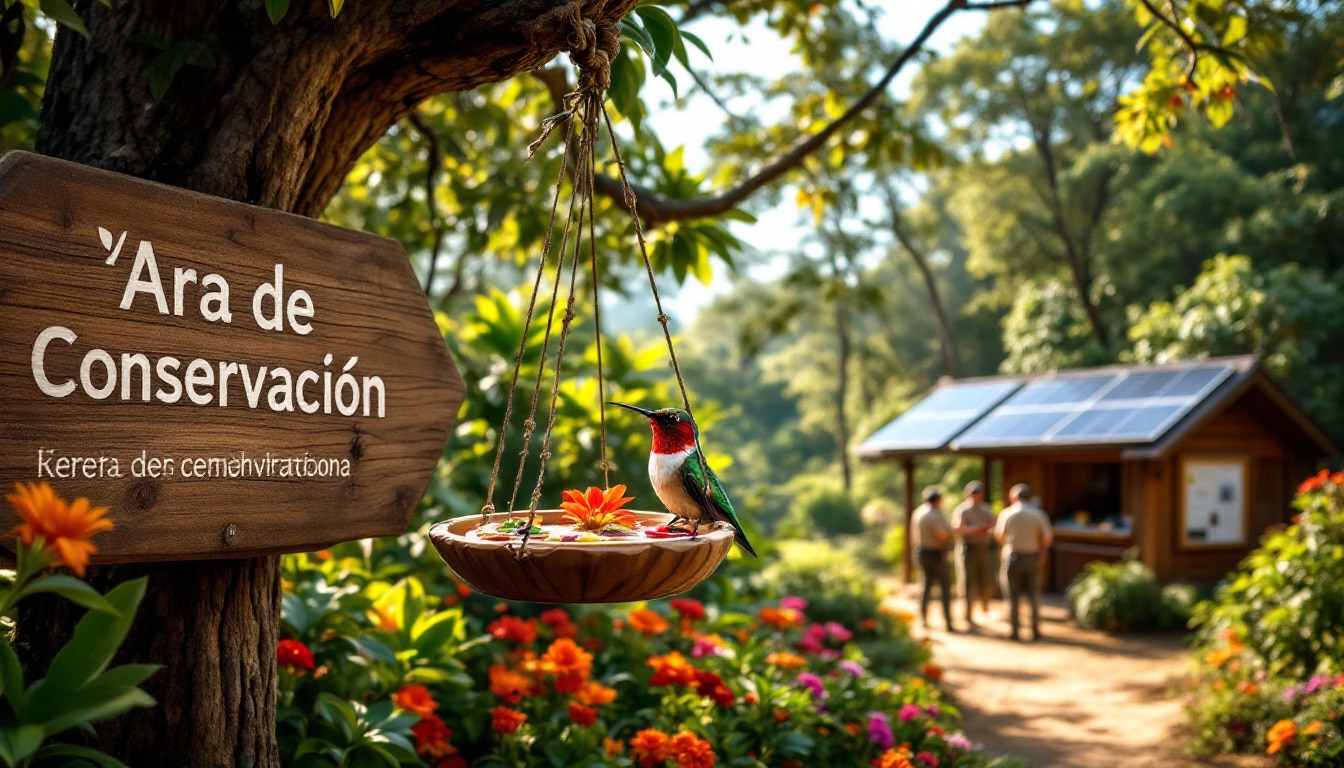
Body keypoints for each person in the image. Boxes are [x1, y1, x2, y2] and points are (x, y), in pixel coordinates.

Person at [994, 483, 1053, 641]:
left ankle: (1014, 631)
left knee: (1012, 596)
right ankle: (1035, 630)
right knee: (1034, 595)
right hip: (1032, 558)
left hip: (1012, 558)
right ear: (1030, 498)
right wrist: (1041, 554)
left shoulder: (1007, 514)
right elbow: (1047, 538)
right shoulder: (1038, 514)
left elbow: (999, 537)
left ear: (1013, 498)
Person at [911, 485, 957, 632]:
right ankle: (948, 622)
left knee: (926, 587)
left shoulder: (918, 512)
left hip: (921, 552)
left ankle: (923, 618)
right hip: (936, 554)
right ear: (938, 500)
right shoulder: (934, 514)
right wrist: (953, 534)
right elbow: (942, 535)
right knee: (945, 588)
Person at [951, 480, 996, 628]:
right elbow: (958, 529)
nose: (977, 497)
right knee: (967, 582)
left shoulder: (986, 509)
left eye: (979, 494)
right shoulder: (962, 510)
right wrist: (977, 528)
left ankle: (985, 607)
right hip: (967, 549)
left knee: (987, 581)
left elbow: (995, 527)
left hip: (983, 549)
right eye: (974, 494)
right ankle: (967, 613)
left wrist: (988, 532)